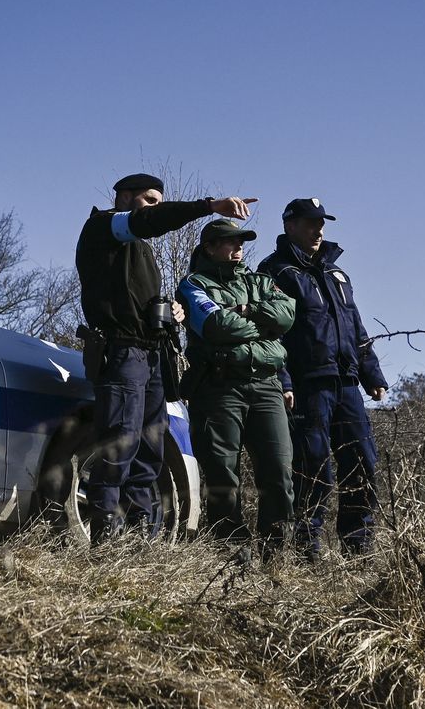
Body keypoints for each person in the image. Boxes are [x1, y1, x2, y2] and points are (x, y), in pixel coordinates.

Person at [75, 173, 256, 544]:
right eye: (150, 199)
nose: (156, 208)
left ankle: (141, 536)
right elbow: (149, 222)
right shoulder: (102, 227)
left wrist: (169, 310)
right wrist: (209, 206)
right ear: (125, 198)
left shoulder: (140, 248)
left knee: (149, 446)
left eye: (160, 201)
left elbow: (136, 292)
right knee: (119, 442)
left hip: (152, 354)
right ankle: (104, 538)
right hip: (121, 352)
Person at [257, 198, 390, 560]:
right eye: (310, 223)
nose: (318, 230)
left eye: (321, 223)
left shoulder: (338, 275)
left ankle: (358, 548)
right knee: (313, 468)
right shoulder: (275, 273)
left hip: (347, 384)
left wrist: (371, 374)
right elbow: (271, 334)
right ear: (290, 226)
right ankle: (306, 549)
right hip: (307, 386)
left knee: (362, 464)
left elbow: (356, 328)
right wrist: (283, 381)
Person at [176, 219, 296, 558]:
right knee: (222, 476)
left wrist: (243, 310)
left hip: (267, 384)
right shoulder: (192, 284)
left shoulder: (261, 281)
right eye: (230, 241)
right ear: (211, 246)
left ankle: (276, 554)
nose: (238, 247)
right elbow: (214, 325)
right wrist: (262, 322)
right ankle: (231, 555)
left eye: (241, 241)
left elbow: (287, 314)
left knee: (278, 470)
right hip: (218, 387)